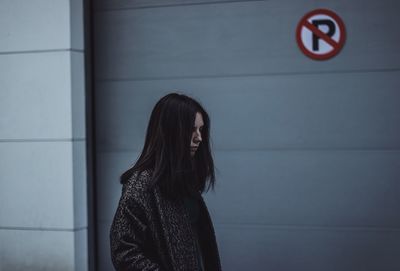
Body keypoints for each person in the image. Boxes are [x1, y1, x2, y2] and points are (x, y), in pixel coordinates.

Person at [110, 93, 222, 271]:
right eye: (192, 130)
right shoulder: (141, 185)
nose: (199, 138)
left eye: (201, 130)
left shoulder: (183, 181)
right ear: (170, 132)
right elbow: (124, 253)